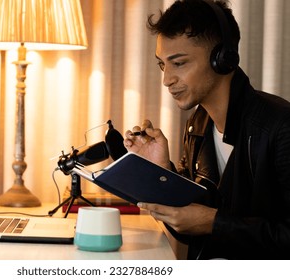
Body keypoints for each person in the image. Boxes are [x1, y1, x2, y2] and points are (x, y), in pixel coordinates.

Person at [124, 0, 290, 260]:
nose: (166, 79)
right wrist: (162, 172)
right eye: (162, 65)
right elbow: (190, 229)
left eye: (178, 63)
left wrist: (214, 222)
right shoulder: (197, 126)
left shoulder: (281, 126)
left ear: (222, 59)